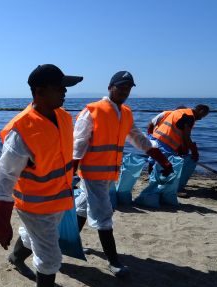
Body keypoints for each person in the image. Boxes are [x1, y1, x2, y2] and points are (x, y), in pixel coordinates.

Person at [0, 64, 82, 287]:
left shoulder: (63, 117)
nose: (65, 92)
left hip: (60, 197)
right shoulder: (21, 132)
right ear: (39, 92)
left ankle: (16, 256)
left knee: (38, 238)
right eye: (59, 87)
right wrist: (0, 223)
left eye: (66, 87)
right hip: (34, 204)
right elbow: (4, 180)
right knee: (51, 254)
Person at [72, 71, 174, 276]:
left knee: (82, 207)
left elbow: (138, 138)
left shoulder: (125, 113)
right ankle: (114, 261)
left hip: (109, 174)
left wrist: (161, 159)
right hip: (92, 173)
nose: (125, 91)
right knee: (104, 215)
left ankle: (69, 243)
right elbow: (77, 145)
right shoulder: (92, 111)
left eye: (128, 88)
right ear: (111, 87)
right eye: (121, 87)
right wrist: (69, 174)